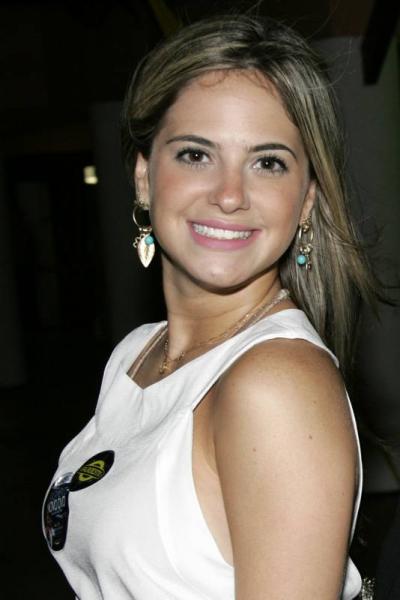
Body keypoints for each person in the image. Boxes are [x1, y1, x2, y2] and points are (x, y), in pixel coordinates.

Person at [43, 14, 378, 599]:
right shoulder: (137, 355)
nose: (229, 195)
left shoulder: (275, 385)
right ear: (144, 177)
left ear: (306, 201)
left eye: (268, 162)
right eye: (196, 154)